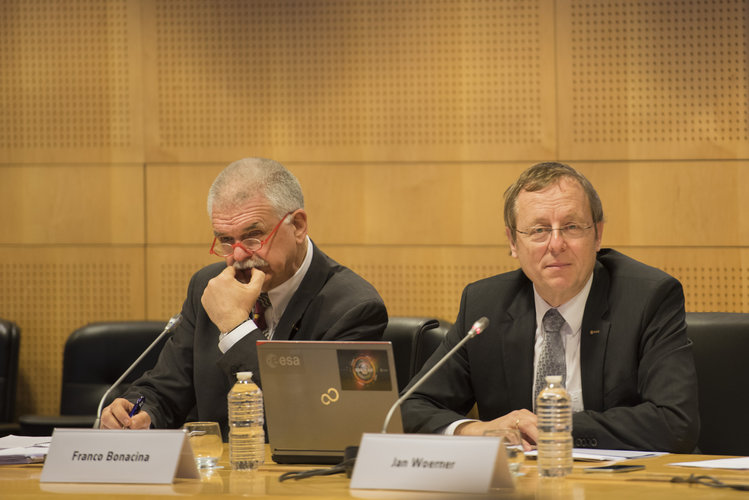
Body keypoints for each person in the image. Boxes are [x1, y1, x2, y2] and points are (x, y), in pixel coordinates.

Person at [401, 162, 699, 453]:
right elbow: (409, 409)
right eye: (539, 230)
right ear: (513, 242)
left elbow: (675, 423)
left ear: (597, 234)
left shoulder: (647, 298)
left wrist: (551, 426)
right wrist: (474, 429)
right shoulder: (485, 305)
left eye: (571, 227)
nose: (556, 244)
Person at [100, 157, 388, 434]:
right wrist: (140, 411)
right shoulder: (208, 286)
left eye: (254, 236)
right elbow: (167, 386)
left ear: (298, 226)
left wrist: (236, 328)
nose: (238, 255)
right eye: (226, 240)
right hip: (215, 475)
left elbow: (320, 420)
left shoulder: (354, 307)